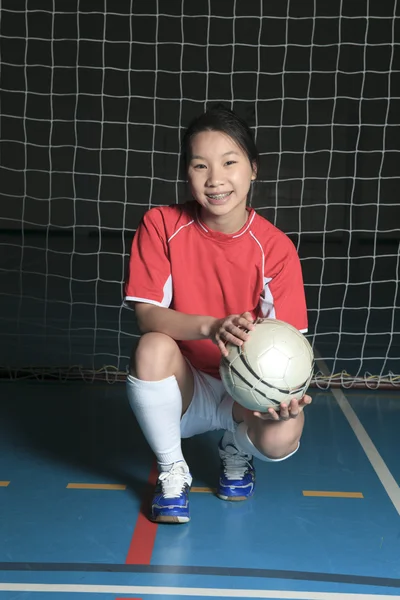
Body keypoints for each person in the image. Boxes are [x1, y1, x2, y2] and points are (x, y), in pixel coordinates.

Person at [124, 106, 312, 523]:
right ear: (186, 174)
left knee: (285, 434)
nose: (215, 179)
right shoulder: (161, 224)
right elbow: (147, 315)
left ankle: (236, 447)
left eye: (230, 162)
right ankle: (173, 470)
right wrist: (210, 327)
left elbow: (289, 344)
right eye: (200, 165)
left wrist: (285, 399)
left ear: (253, 170)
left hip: (243, 389)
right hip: (185, 384)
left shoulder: (275, 248)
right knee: (151, 347)